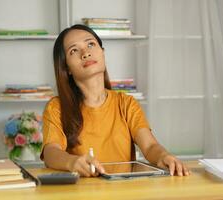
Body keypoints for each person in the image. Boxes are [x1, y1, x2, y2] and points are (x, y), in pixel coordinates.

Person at [41, 24, 190, 177]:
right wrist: (72, 162)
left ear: (103, 52)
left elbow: (150, 146)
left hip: (123, 191)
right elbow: (51, 152)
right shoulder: (56, 108)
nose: (85, 53)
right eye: (74, 50)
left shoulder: (126, 104)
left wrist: (163, 156)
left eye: (90, 44)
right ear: (67, 69)